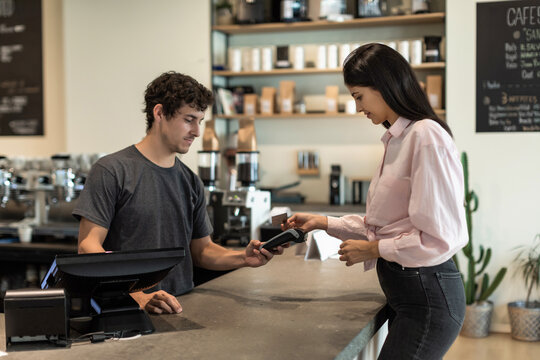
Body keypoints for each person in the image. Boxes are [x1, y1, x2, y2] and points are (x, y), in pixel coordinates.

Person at [284, 43, 468, 360]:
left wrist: (374, 250)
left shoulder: (426, 136)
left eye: (358, 96)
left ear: (384, 85)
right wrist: (324, 222)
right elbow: (386, 225)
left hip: (428, 297)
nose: (357, 107)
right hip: (412, 295)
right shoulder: (399, 139)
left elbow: (442, 236)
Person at [73, 71, 283, 315]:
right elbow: (88, 246)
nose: (196, 131)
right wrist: (139, 296)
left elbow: (203, 250)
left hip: (179, 308)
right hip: (122, 311)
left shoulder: (189, 180)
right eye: (189, 119)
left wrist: (243, 258)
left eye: (200, 121)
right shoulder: (112, 170)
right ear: (159, 113)